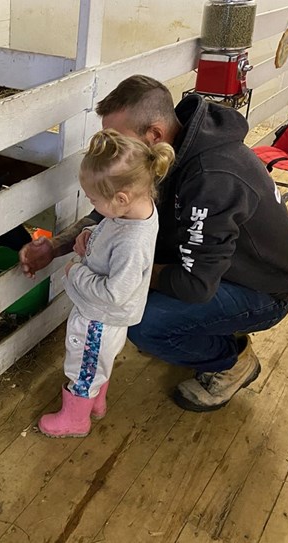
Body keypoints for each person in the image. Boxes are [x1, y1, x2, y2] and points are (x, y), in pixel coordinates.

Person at [21, 75, 288, 413]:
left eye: (118, 137)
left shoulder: (211, 180)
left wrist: (128, 275)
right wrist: (54, 246)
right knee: (137, 300)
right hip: (215, 265)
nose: (113, 149)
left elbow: (195, 285)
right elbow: (113, 211)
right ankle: (203, 331)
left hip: (261, 288)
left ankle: (232, 361)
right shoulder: (162, 149)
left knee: (145, 324)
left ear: (154, 134)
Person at [38, 129, 174, 438]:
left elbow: (114, 293)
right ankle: (96, 403)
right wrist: (91, 235)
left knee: (83, 367)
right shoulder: (136, 212)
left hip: (99, 318)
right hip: (106, 319)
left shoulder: (132, 243)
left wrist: (75, 273)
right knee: (99, 361)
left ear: (121, 198)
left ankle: (76, 420)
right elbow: (112, 231)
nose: (92, 204)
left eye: (94, 200)